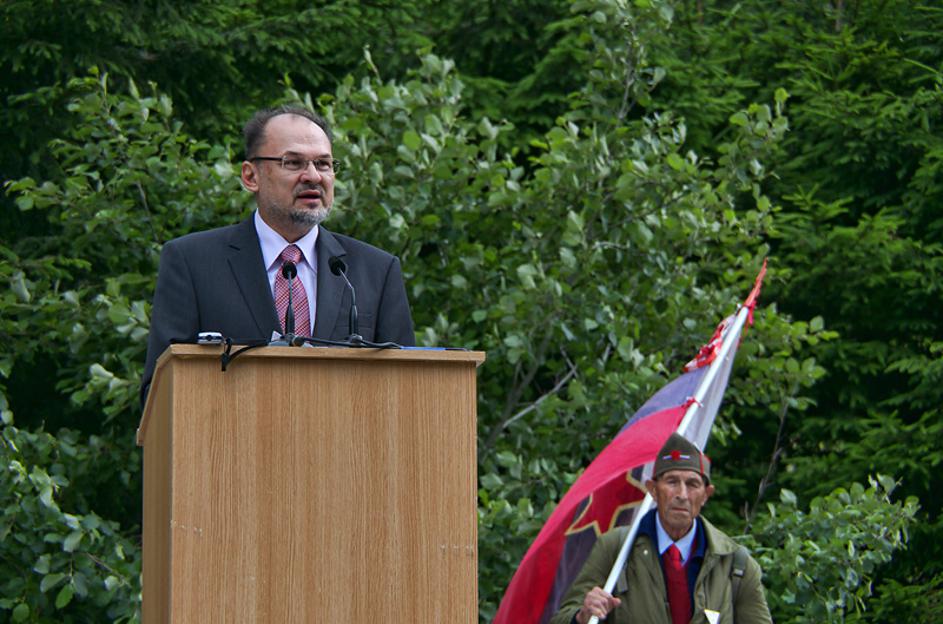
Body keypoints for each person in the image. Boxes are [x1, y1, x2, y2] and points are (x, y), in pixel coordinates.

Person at [140, 105, 415, 405]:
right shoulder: (192, 262)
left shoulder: (375, 270)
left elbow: (404, 391)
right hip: (229, 447)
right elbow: (159, 393)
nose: (313, 177)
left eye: (323, 164)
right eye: (293, 162)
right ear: (250, 176)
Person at [550, 433, 772, 624]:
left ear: (706, 495)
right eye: (672, 482)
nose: (682, 495)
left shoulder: (735, 563)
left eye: (692, 484)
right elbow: (561, 617)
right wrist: (581, 616)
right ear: (653, 490)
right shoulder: (617, 548)